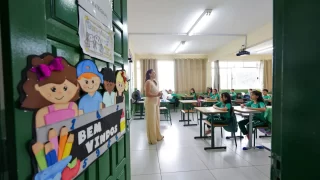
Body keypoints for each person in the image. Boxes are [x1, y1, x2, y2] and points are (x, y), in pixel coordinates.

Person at [21, 55, 80, 128]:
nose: (60, 92)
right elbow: (40, 133)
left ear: (76, 86)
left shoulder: (73, 106)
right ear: (37, 87)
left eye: (65, 88)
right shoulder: (43, 112)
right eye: (53, 89)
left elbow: (77, 125)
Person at [144, 69, 164, 144]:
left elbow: (156, 93)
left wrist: (159, 96)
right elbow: (147, 94)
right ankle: (152, 139)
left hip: (155, 103)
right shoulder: (148, 82)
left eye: (155, 73)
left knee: (156, 120)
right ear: (149, 74)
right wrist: (157, 95)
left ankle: (158, 136)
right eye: (153, 73)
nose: (155, 74)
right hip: (150, 104)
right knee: (151, 121)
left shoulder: (154, 82)